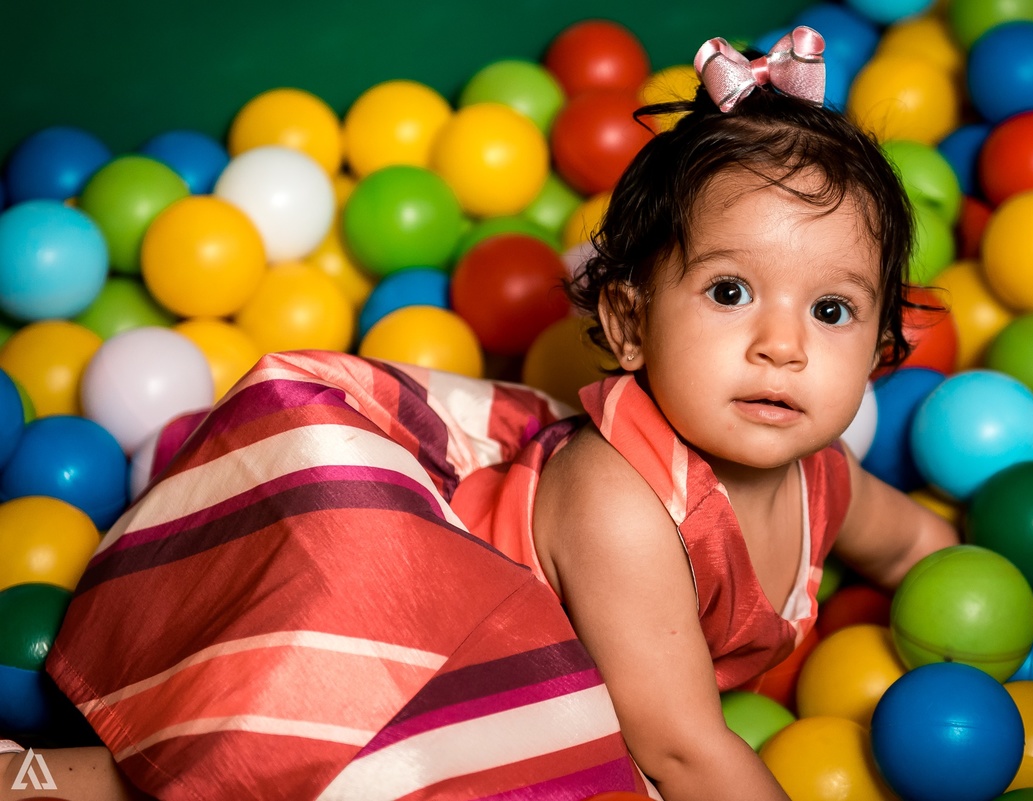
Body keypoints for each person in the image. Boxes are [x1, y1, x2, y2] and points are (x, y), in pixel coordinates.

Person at [10, 26, 958, 801]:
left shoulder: (819, 472)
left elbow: (917, 545)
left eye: (830, 311)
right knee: (267, 765)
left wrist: (985, 633)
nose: (782, 346)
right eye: (728, 293)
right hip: (429, 652)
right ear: (629, 323)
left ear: (879, 352)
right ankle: (36, 774)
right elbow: (677, 751)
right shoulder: (625, 504)